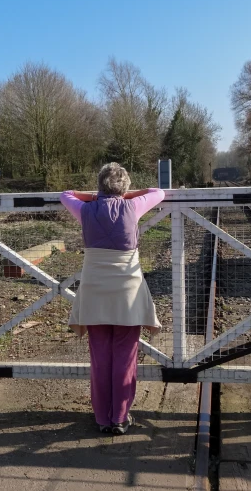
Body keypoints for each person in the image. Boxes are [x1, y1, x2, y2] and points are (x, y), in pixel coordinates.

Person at [60, 163, 165, 435]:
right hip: (127, 294)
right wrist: (127, 196)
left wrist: (97, 197)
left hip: (94, 293)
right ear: (125, 186)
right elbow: (158, 192)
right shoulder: (134, 206)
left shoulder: (85, 209)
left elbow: (66, 194)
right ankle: (120, 416)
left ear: (99, 185)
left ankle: (102, 418)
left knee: (100, 357)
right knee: (125, 357)